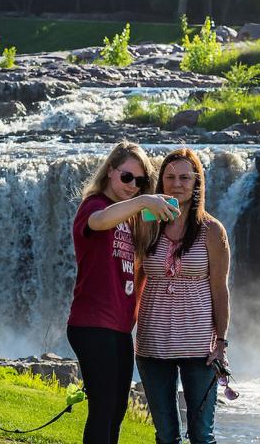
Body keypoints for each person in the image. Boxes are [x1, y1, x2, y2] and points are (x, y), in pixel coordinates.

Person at [69, 142, 178, 444]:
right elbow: (99, 221)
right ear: (109, 173)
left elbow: (169, 229)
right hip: (91, 325)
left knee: (116, 410)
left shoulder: (132, 219)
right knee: (103, 408)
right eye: (127, 177)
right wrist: (144, 201)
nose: (133, 186)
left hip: (118, 329)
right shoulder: (94, 205)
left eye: (141, 181)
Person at [137, 148, 231, 444]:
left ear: (197, 183)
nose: (177, 183)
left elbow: (220, 288)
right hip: (152, 343)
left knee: (201, 435)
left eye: (184, 177)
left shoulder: (212, 231)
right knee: (166, 436)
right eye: (170, 177)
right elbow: (133, 276)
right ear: (161, 182)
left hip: (200, 346)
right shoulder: (146, 223)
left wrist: (222, 343)